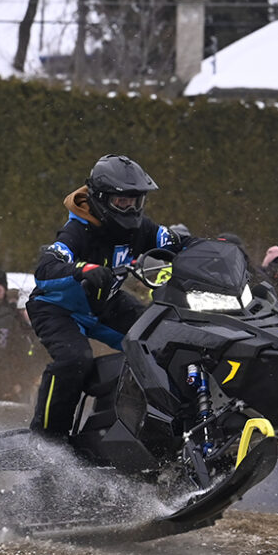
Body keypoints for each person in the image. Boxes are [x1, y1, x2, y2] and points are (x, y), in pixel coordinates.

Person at [28, 154, 181, 439]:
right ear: (101, 198)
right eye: (122, 201)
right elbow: (45, 269)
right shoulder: (77, 230)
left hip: (104, 304)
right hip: (57, 309)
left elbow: (175, 241)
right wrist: (82, 269)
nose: (130, 208)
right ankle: (46, 439)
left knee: (162, 340)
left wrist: (214, 250)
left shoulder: (142, 228)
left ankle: (152, 428)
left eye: (135, 201)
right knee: (75, 359)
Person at [0, 270, 43, 402]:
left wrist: (20, 380)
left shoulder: (13, 315)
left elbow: (22, 350)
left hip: (7, 381)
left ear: (4, 288)